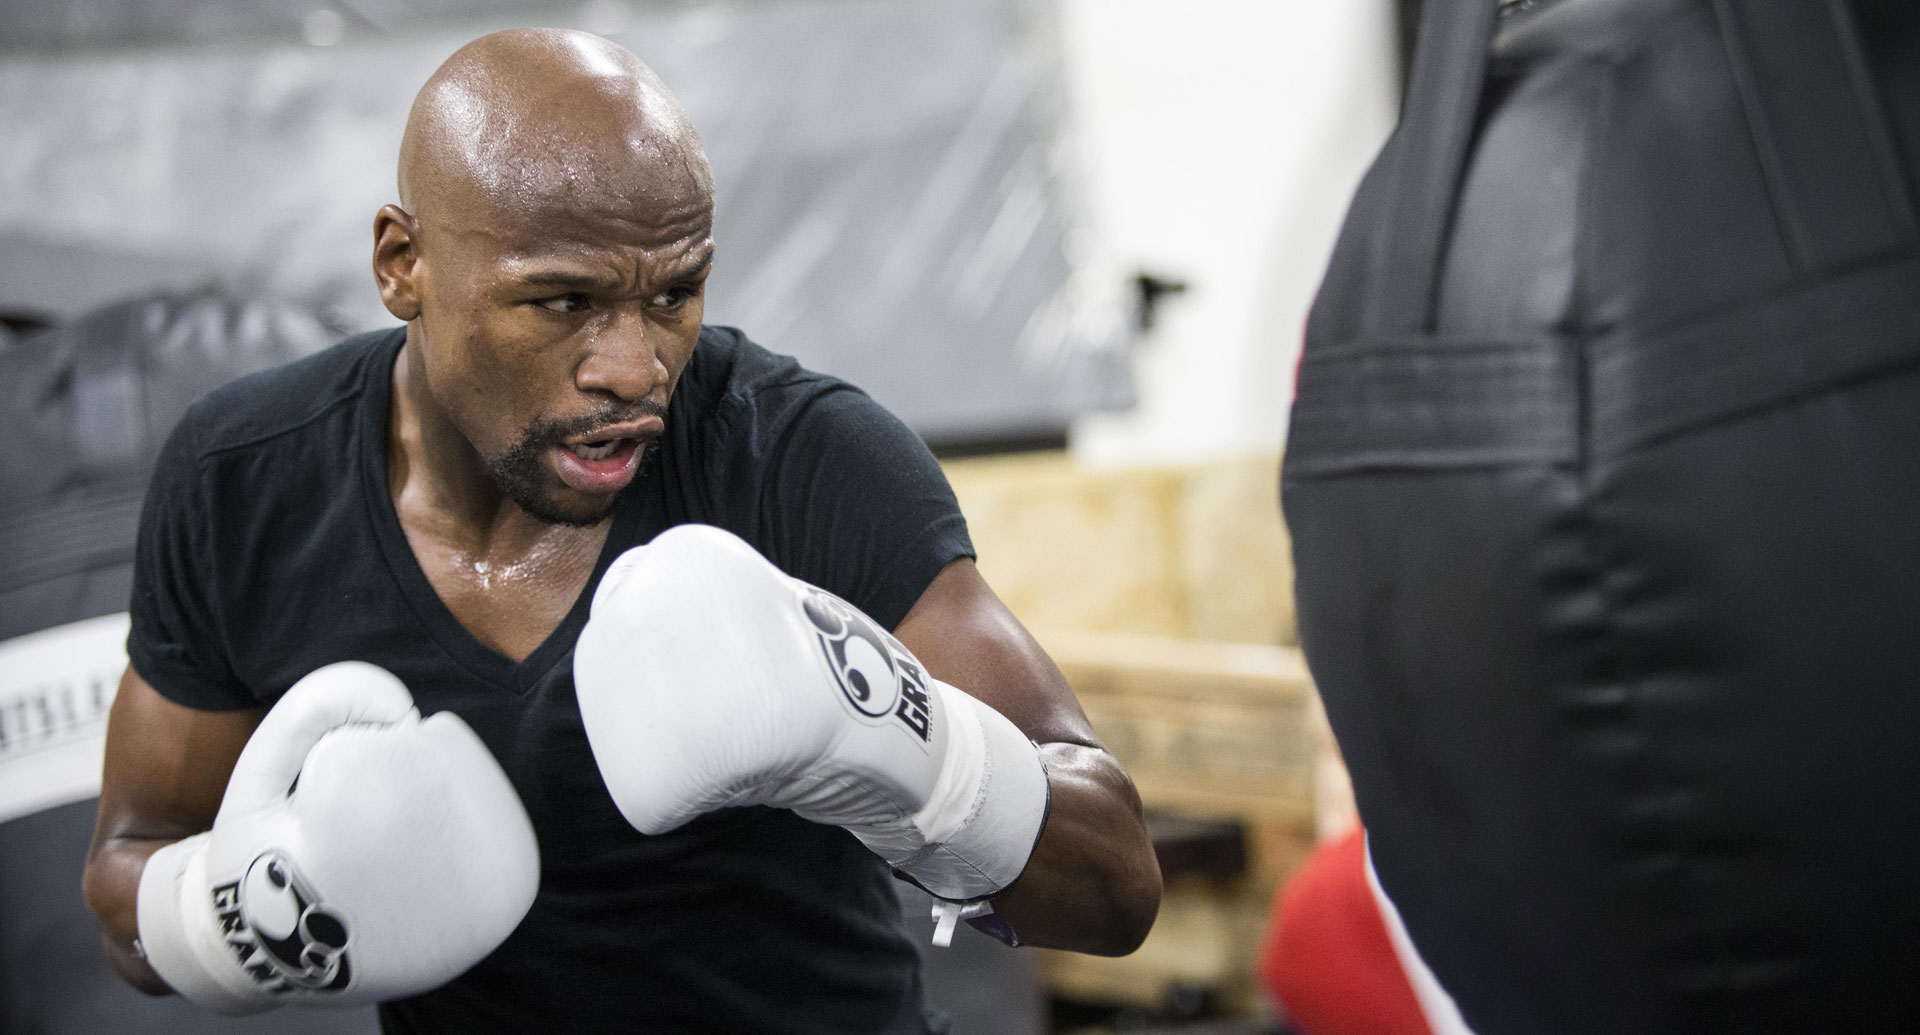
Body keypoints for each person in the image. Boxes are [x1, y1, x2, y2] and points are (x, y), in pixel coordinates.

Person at [80, 27, 1162, 1035]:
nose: (636, 369)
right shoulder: (244, 481)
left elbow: (1116, 884)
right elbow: (130, 870)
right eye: (560, 302)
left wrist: (912, 752)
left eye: (677, 291)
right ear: (402, 264)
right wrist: (245, 912)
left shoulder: (795, 457)